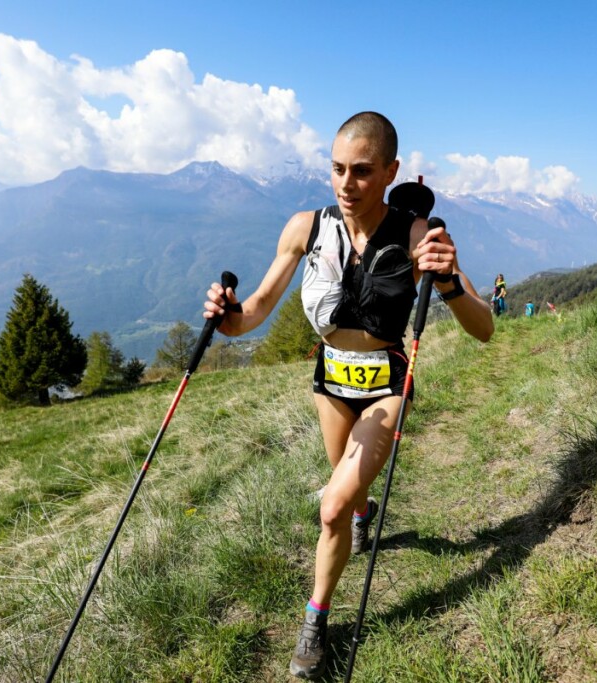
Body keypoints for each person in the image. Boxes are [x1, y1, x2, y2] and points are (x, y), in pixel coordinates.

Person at [203, 112, 493, 680]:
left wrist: (451, 283)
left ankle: (315, 622)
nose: (346, 183)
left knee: (330, 505)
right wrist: (225, 316)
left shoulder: (417, 235)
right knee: (347, 490)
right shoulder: (304, 228)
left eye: (362, 171)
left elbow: (484, 328)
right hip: (331, 380)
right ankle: (364, 511)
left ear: (390, 171)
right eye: (337, 169)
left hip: (387, 381)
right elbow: (255, 311)